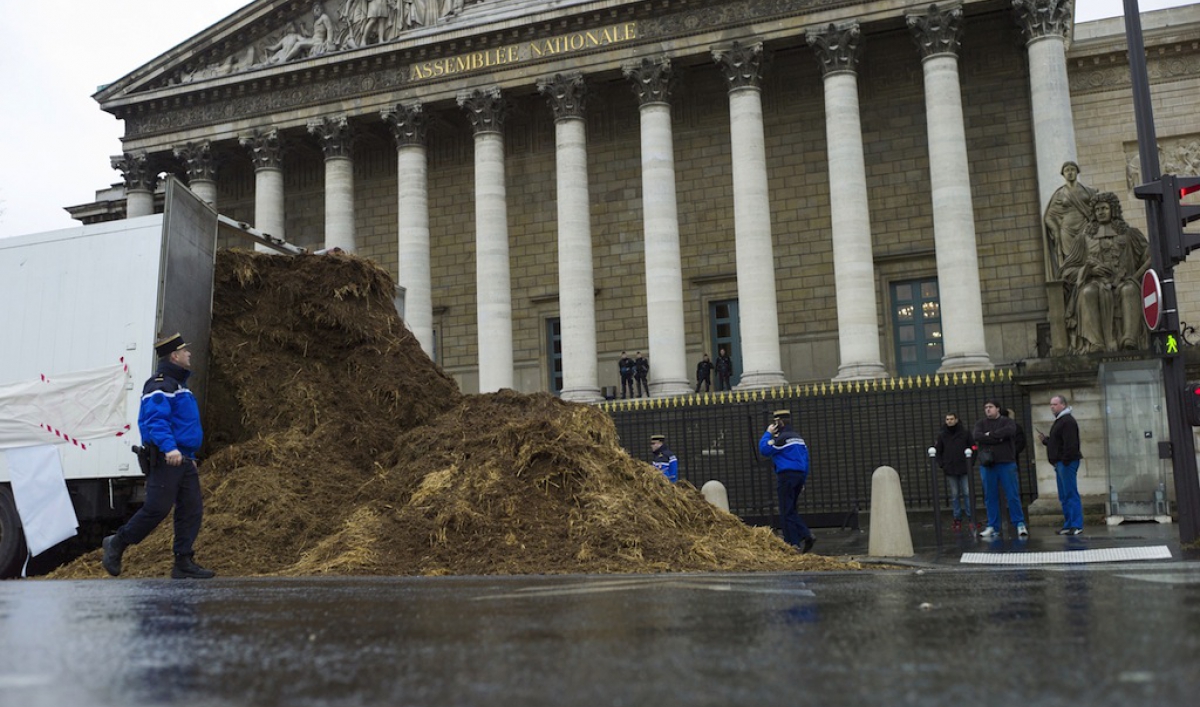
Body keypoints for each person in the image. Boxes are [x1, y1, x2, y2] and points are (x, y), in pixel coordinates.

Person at [102, 334, 215, 579]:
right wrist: (169, 448)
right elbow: (156, 421)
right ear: (174, 356)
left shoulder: (179, 386)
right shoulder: (160, 384)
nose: (189, 354)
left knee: (191, 509)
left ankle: (183, 561)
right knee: (156, 509)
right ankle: (118, 542)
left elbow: (181, 425)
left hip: (182, 459)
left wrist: (187, 454)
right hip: (167, 459)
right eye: (185, 351)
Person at [1060, 192, 1150, 353]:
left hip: (1125, 280)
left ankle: (1130, 338)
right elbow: (1067, 271)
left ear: (1112, 210)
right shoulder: (1083, 238)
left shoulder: (1130, 234)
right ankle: (1096, 342)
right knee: (1088, 293)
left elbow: (1147, 256)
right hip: (1095, 282)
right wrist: (1089, 270)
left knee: (1129, 290)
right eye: (1097, 209)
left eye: (1104, 208)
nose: (1101, 212)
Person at [759, 410, 816, 553]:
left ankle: (796, 540)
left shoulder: (781, 439)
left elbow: (764, 450)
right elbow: (806, 461)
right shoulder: (799, 438)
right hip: (799, 475)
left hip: (786, 476)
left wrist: (768, 433)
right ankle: (798, 538)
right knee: (791, 509)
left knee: (786, 510)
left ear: (780, 423)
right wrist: (803, 480)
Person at [973, 399, 1027, 539]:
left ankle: (1019, 523)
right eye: (986, 407)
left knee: (1012, 495)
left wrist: (989, 435)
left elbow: (1009, 431)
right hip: (988, 465)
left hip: (1006, 462)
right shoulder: (980, 423)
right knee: (990, 497)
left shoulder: (1007, 422)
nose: (988, 410)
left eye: (990, 407)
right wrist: (998, 438)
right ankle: (992, 526)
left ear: (997, 409)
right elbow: (976, 436)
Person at [1038, 394, 1083, 535]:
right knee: (1064, 495)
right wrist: (1047, 441)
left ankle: (1076, 524)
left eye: (1055, 404)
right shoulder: (1061, 421)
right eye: (1051, 404)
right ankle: (1069, 524)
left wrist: (1064, 460)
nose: (1052, 407)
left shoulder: (1067, 421)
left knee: (1070, 493)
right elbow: (1059, 442)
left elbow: (1071, 444)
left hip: (1066, 463)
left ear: (1063, 405)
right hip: (1061, 463)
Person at [934, 412, 974, 531]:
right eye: (947, 419)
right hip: (950, 468)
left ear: (956, 420)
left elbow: (973, 447)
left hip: (964, 467)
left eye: (951, 419)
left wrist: (970, 462)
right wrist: (942, 464)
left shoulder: (965, 433)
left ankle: (971, 518)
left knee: (967, 493)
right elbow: (938, 451)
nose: (949, 421)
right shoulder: (942, 435)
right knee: (955, 494)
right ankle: (957, 519)